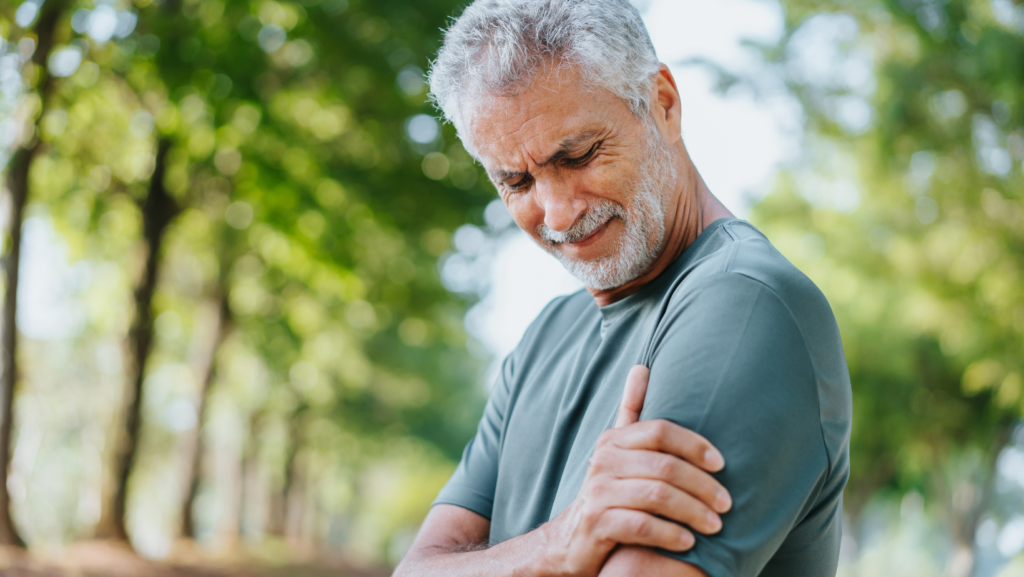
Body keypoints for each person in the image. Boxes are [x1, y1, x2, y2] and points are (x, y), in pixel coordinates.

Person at [393, 1, 853, 575]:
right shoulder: (547, 335)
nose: (557, 214)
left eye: (580, 155)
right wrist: (556, 546)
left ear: (662, 104)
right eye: (516, 181)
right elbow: (416, 569)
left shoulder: (745, 304)